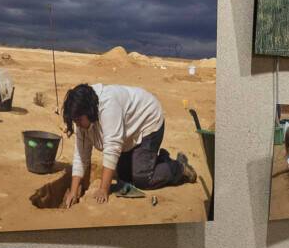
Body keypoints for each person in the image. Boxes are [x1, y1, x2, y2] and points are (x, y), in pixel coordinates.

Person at [62, 83, 196, 206]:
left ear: (89, 111)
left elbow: (112, 147)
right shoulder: (81, 117)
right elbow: (81, 155)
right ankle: (160, 159)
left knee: (142, 178)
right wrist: (73, 191)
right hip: (128, 134)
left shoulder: (108, 106)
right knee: (125, 177)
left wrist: (103, 189)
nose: (77, 124)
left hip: (148, 122)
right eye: (75, 120)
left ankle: (179, 168)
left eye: (79, 120)